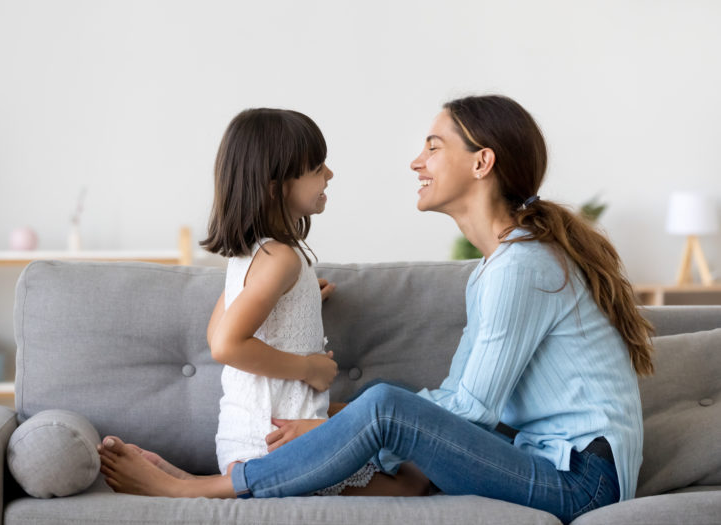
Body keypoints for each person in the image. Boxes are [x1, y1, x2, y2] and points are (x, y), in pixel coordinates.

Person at [99, 95, 653, 523]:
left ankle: (198, 488)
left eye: (434, 147)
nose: (417, 161)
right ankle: (231, 475)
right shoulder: (496, 268)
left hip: (581, 483)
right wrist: (338, 421)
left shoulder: (521, 267)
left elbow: (470, 412)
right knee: (382, 413)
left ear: (482, 162)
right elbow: (461, 400)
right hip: (548, 460)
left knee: (384, 405)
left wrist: (339, 427)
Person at [98, 108, 429, 498]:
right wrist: (310, 368)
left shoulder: (252, 257)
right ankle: (190, 488)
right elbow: (225, 345)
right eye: (318, 167)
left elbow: (216, 332)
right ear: (275, 187)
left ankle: (189, 479)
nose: (330, 175)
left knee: (394, 441)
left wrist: (299, 301)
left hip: (252, 437)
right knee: (412, 481)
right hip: (277, 443)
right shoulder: (281, 260)